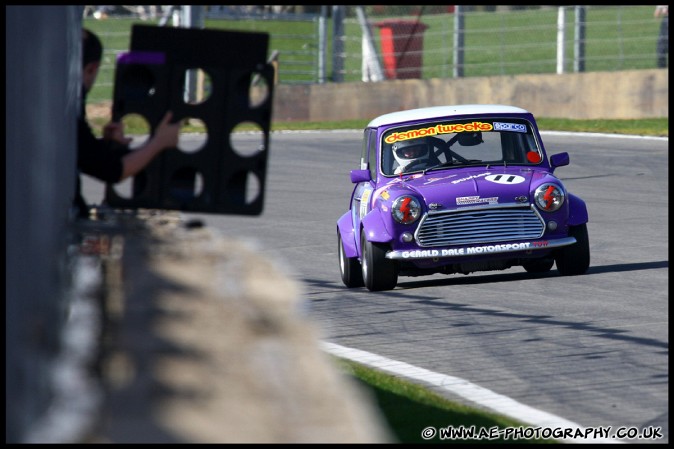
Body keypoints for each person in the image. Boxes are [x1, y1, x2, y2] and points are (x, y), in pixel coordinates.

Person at [74, 28, 181, 218]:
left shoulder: (52, 104)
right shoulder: (66, 110)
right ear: (92, 68)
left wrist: (103, 144)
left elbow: (84, 156)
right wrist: (159, 142)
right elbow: (113, 171)